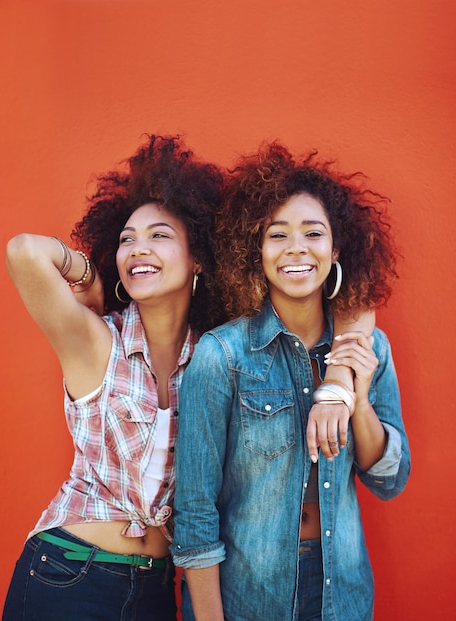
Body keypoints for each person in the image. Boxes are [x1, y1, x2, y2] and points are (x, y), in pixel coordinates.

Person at [171, 142, 411, 621]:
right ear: (256, 250)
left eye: (313, 233)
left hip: (340, 594)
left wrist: (355, 399)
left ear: (335, 247)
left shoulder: (368, 348)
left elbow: (389, 481)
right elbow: (195, 510)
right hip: (248, 595)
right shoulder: (222, 356)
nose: (297, 248)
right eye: (277, 235)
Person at [1, 135, 225, 621]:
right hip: (68, 574)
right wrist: (86, 275)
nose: (138, 248)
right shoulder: (97, 342)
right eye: (127, 239)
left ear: (198, 258)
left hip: (156, 589)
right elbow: (23, 252)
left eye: (160, 235)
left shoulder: (214, 357)